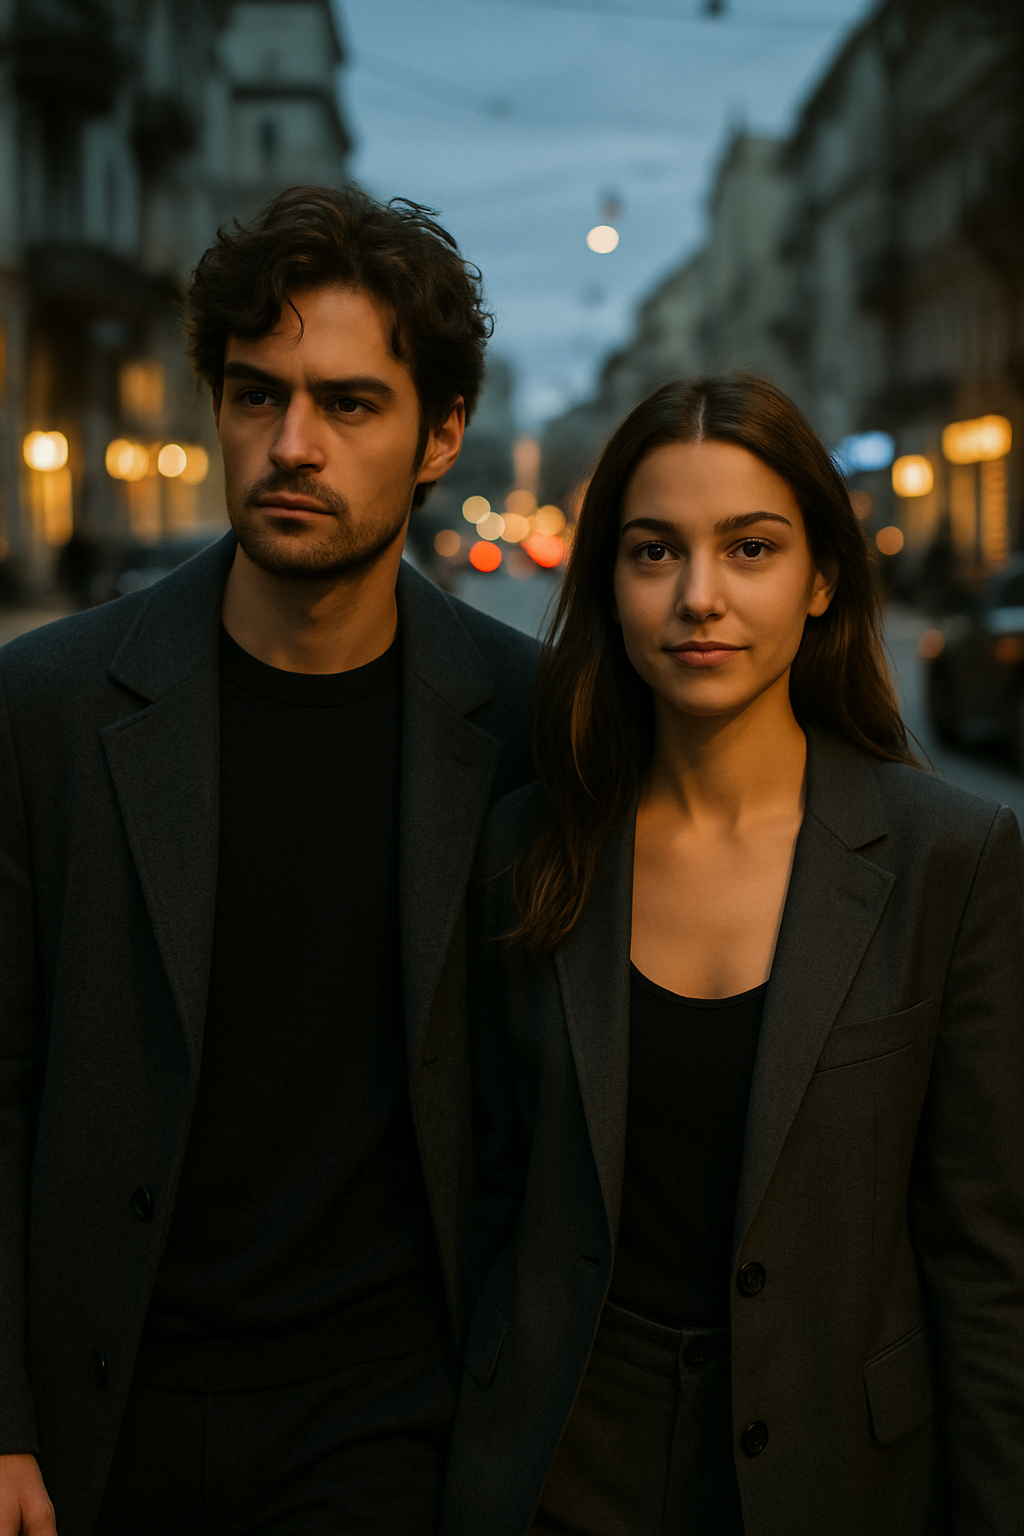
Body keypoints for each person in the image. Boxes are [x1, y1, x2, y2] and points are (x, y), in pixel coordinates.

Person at [0, 184, 538, 1536]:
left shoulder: (527, 721)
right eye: (257, 396)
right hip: (101, 1404)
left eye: (350, 404)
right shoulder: (48, 707)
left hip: (382, 1417)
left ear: (442, 434)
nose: (293, 445)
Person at [442, 376, 1024, 1536]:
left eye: (749, 548)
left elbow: (988, 1268)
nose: (698, 597)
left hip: (835, 1474)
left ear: (820, 578)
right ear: (608, 582)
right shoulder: (525, 847)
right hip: (560, 1472)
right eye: (654, 551)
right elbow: (480, 1201)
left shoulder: (947, 861)